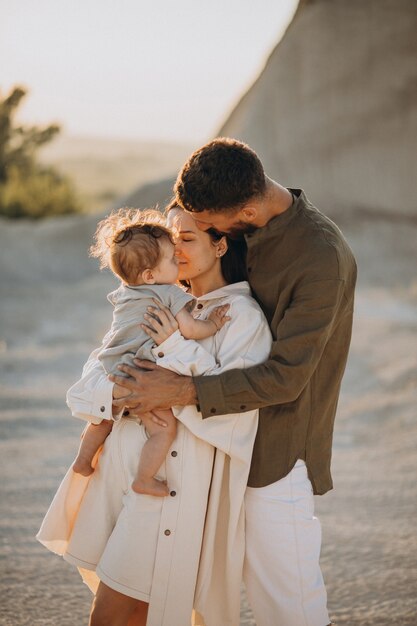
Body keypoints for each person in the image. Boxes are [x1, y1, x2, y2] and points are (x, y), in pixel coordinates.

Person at [109, 137, 358, 626]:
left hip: (273, 457)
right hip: (210, 452)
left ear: (245, 211)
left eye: (209, 227)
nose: (200, 234)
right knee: (201, 602)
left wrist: (179, 389)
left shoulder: (320, 259)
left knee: (288, 609)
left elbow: (287, 378)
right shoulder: (236, 225)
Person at [37, 202, 272, 626]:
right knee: (123, 614)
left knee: (112, 614)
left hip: (165, 491)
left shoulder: (241, 317)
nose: (176, 250)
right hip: (119, 478)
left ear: (220, 245)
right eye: (171, 239)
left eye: (188, 239)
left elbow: (235, 415)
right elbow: (84, 391)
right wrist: (126, 395)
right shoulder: (146, 301)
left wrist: (174, 349)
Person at [72, 207, 229, 497]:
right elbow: (191, 329)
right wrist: (214, 323)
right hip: (141, 371)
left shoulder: (125, 293)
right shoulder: (168, 293)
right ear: (149, 275)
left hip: (113, 368)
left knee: (103, 418)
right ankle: (143, 479)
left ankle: (82, 460)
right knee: (163, 430)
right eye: (170, 259)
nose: (177, 259)